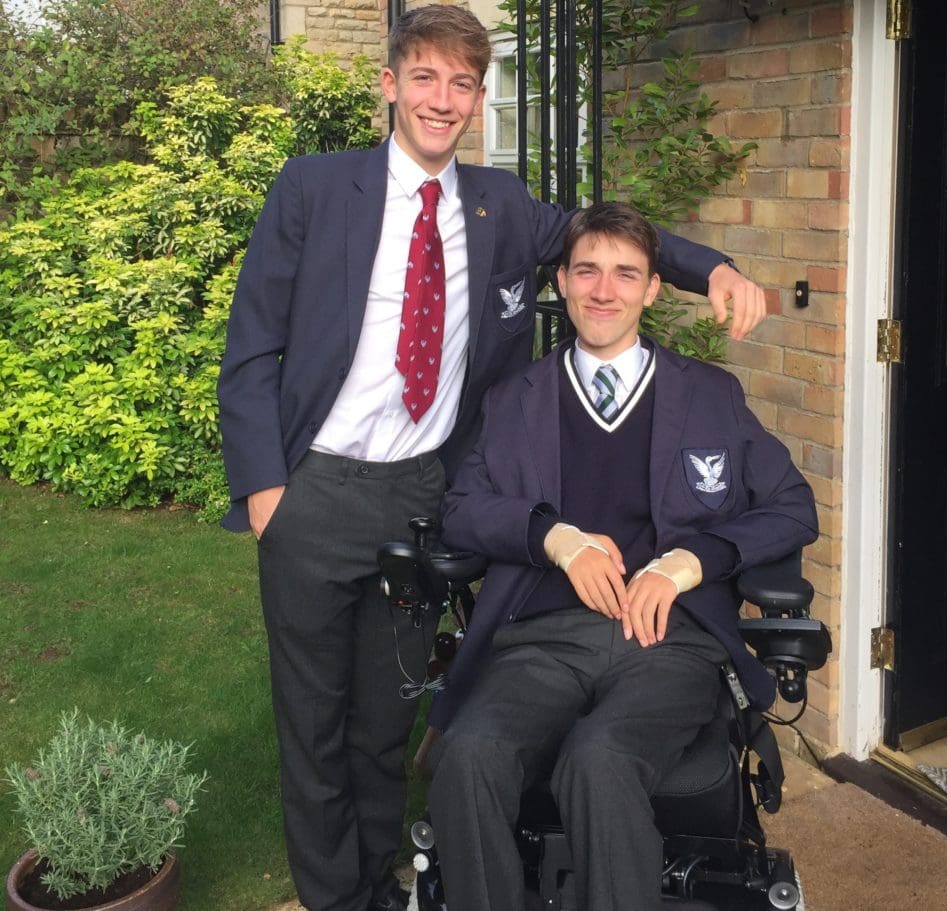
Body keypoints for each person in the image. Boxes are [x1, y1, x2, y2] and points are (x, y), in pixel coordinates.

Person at [217, 6, 768, 910]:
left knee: (386, 720)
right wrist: (270, 491)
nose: (442, 100)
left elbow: (613, 242)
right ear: (389, 84)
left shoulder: (499, 205)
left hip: (424, 493)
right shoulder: (314, 189)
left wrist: (713, 271)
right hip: (314, 489)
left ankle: (382, 881)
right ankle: (337, 898)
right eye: (424, 78)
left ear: (477, 99)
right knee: (313, 724)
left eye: (461, 84)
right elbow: (250, 348)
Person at [427, 202, 818, 911]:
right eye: (588, 271)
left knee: (599, 760)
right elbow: (461, 508)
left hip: (669, 642)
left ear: (653, 288)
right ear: (562, 281)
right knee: (468, 755)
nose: (604, 290)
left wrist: (690, 560)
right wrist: (554, 535)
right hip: (541, 640)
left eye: (625, 273)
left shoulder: (708, 394)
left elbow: (794, 506)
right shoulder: (516, 399)